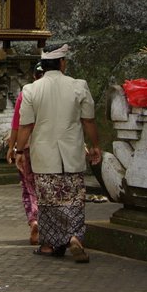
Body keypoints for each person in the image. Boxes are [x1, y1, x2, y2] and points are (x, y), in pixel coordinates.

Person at [14, 43, 102, 263]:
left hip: (44, 155)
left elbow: (25, 126)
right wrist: (95, 145)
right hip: (71, 153)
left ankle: (49, 244)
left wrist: (18, 150)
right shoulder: (78, 86)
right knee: (74, 199)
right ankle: (74, 236)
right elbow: (88, 120)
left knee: (48, 201)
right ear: (63, 63)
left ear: (43, 65)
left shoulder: (31, 90)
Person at [6, 63, 44, 245]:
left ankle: (34, 220)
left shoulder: (26, 93)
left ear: (35, 76)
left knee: (29, 188)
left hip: (27, 145)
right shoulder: (55, 94)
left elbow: (17, 124)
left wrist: (13, 147)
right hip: (49, 148)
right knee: (47, 186)